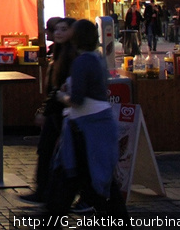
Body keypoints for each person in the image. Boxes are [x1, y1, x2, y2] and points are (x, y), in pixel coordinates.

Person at [46, 19, 127, 221]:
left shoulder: (82, 61)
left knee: (69, 177)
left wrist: (61, 97)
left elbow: (77, 100)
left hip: (85, 126)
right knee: (97, 178)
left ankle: (52, 219)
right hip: (95, 124)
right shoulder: (97, 59)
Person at [19, 17, 76, 204]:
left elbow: (59, 88)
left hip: (63, 111)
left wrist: (46, 110)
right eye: (55, 29)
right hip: (56, 110)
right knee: (46, 151)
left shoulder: (69, 55)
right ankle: (45, 191)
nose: (56, 33)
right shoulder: (58, 52)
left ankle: (53, 193)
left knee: (57, 152)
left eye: (62, 29)